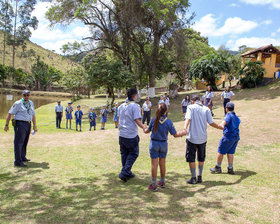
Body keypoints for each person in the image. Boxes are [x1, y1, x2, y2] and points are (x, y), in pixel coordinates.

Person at [144, 103, 187, 191]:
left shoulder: (154, 120)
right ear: (166, 110)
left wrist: (144, 128)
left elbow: (147, 131)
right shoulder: (168, 122)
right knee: (162, 163)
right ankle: (162, 182)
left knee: (154, 165)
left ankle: (154, 184)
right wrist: (183, 133)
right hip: (163, 144)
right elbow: (175, 134)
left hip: (154, 144)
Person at [184, 94, 223, 184]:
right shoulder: (206, 109)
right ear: (200, 101)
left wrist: (184, 128)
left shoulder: (190, 107)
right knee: (201, 157)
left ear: (192, 101)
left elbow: (187, 119)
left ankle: (193, 178)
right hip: (202, 138)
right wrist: (219, 127)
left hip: (192, 138)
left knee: (191, 158)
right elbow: (211, 122)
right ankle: (200, 177)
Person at [118, 88, 147, 182]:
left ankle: (127, 172)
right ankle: (124, 172)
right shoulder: (135, 106)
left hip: (122, 134)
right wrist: (143, 127)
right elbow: (137, 120)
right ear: (134, 96)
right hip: (130, 134)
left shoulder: (121, 106)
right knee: (134, 153)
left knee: (124, 154)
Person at [4, 90, 37, 167]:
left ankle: (23, 157)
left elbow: (33, 115)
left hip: (28, 123)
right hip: (20, 124)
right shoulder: (18, 103)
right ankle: (18, 161)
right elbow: (10, 113)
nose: (26, 96)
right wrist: (6, 124)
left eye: (27, 95)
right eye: (24, 95)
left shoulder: (31, 103)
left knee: (25, 141)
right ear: (22, 95)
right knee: (19, 142)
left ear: (29, 95)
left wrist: (34, 125)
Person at [210, 102, 241, 175]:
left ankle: (218, 167)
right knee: (230, 152)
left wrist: (218, 125)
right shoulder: (236, 117)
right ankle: (230, 168)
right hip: (235, 137)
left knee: (220, 151)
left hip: (228, 137)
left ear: (226, 109)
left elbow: (223, 124)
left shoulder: (228, 116)